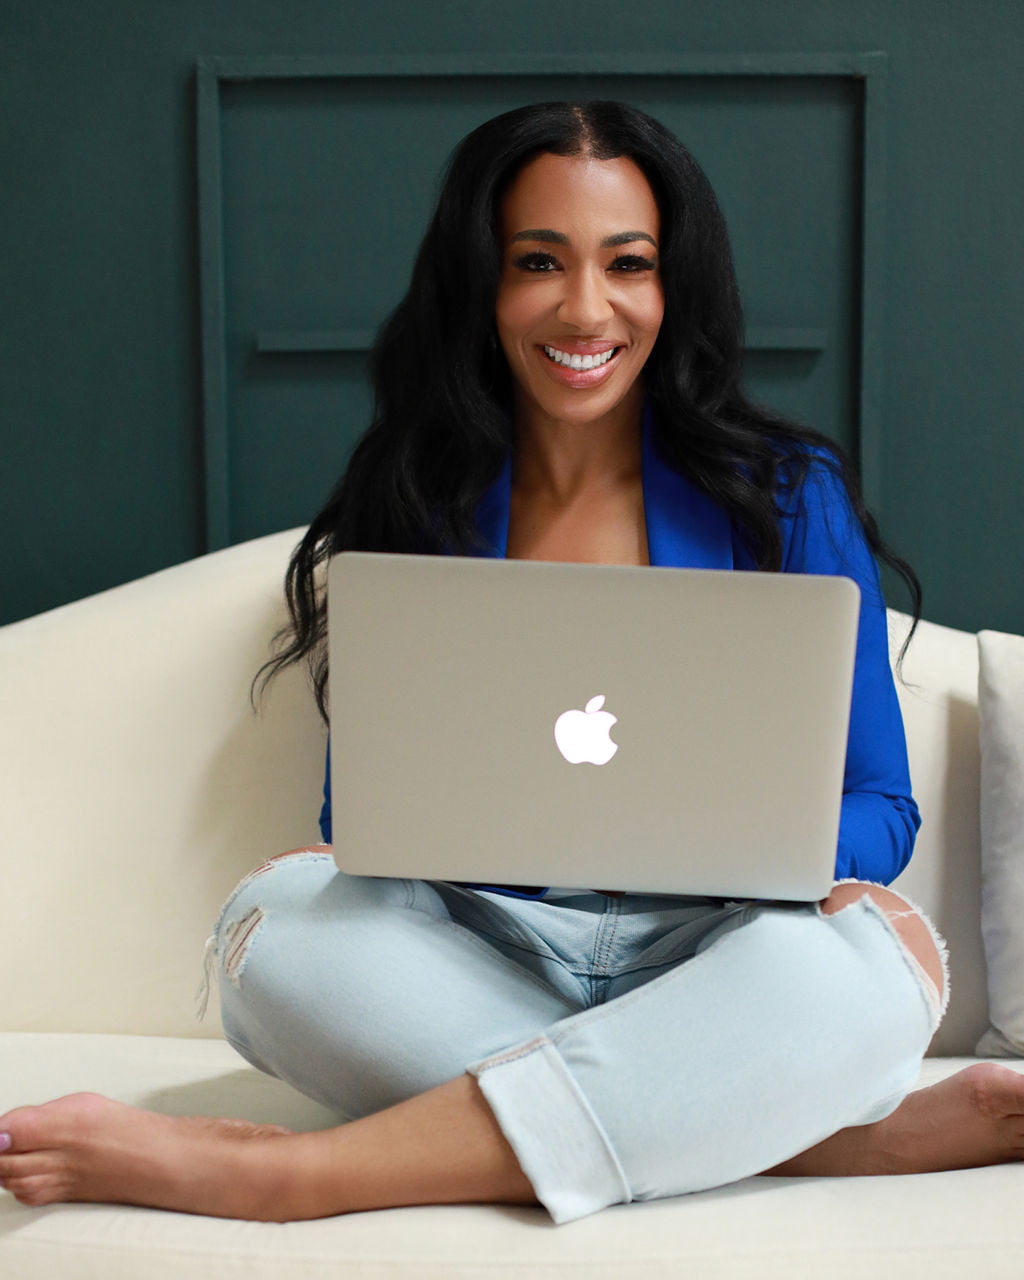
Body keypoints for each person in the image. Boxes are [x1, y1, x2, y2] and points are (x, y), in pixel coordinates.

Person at [1, 101, 1022, 1222]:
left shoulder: (785, 491)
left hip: (726, 946)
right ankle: (796, 1134)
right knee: (274, 930)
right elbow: (364, 818)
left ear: (670, 285)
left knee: (864, 974)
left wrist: (744, 843)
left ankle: (280, 1176)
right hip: (483, 943)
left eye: (625, 264)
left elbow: (880, 804)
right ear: (481, 283)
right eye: (539, 261)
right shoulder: (414, 496)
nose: (585, 307)